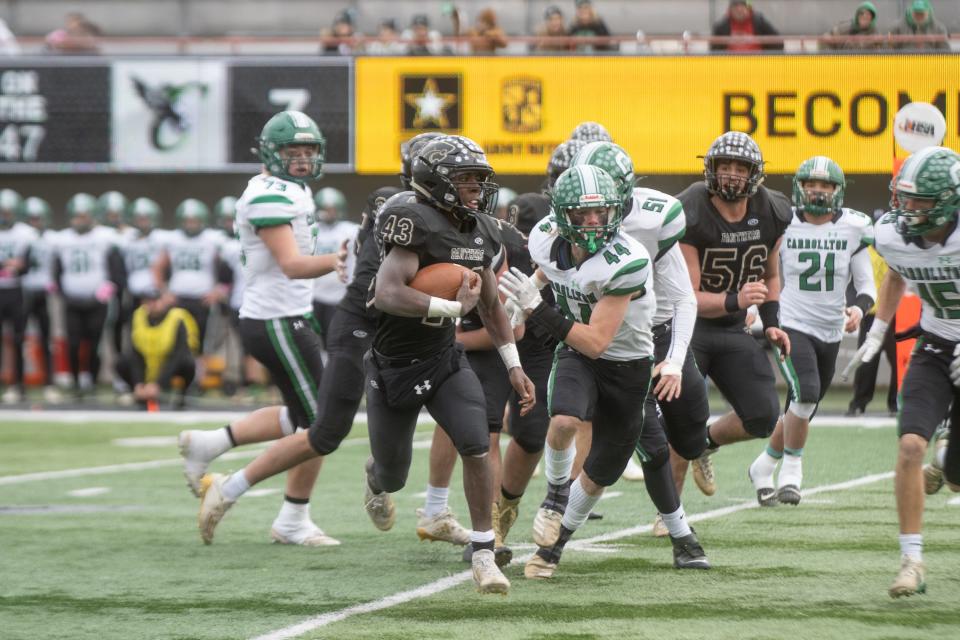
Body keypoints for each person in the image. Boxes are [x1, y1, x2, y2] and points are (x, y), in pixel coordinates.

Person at [193, 135, 534, 595]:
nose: (477, 188)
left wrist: (512, 363)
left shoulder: (482, 230)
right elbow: (384, 294)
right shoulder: (404, 216)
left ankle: (483, 550)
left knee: (475, 442)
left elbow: (491, 305)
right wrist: (453, 309)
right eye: (466, 178)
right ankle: (339, 483)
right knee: (362, 453)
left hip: (444, 357)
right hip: (385, 351)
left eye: (479, 179)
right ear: (435, 179)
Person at [498, 164, 681, 579]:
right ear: (562, 214)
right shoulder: (545, 235)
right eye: (583, 213)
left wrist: (535, 306)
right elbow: (553, 268)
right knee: (563, 418)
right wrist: (535, 284)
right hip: (576, 354)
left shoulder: (628, 259)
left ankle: (553, 548)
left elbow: (597, 341)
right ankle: (555, 496)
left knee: (600, 473)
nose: (595, 222)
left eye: (603, 212)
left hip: (627, 363)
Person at [180, 110, 343, 547]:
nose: (303, 159)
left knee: (303, 416)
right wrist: (347, 259)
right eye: (293, 151)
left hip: (286, 316)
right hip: (277, 321)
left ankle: (212, 443)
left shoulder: (289, 189)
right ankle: (231, 489)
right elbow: (293, 266)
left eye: (309, 150)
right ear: (273, 152)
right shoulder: (269, 196)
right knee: (322, 426)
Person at [571, 141, 708, 545]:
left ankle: (698, 453)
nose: (593, 216)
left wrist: (676, 361)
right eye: (584, 205)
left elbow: (683, 297)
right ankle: (556, 519)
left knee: (690, 435)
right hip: (611, 345)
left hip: (660, 335)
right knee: (640, 439)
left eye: (603, 203)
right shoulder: (561, 227)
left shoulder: (652, 221)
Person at [844, 146, 960, 597]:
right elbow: (894, 273)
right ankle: (912, 560)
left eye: (921, 202)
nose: (909, 210)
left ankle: (947, 462)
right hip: (934, 342)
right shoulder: (892, 233)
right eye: (905, 200)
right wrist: (877, 334)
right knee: (910, 444)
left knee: (955, 477)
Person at [748, 156, 875, 506]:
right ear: (799, 188)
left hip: (831, 329)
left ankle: (763, 465)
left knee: (802, 405)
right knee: (806, 393)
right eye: (810, 184)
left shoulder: (852, 226)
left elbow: (867, 286)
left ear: (839, 191)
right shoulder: (784, 223)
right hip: (791, 322)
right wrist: (754, 309)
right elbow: (763, 271)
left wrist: (858, 309)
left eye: (826, 185)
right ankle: (792, 470)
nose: (818, 191)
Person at [677, 131, 792, 498]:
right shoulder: (692, 209)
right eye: (722, 166)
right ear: (709, 170)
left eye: (738, 167)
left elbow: (771, 275)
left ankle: (705, 443)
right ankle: (669, 513)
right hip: (688, 328)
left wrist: (772, 324)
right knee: (681, 417)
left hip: (731, 328)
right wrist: (736, 299)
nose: (729, 175)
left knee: (762, 415)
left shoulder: (771, 210)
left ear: (754, 173)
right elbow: (688, 297)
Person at [52, 193, 126, 399]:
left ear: (92, 216)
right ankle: (76, 382)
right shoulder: (62, 239)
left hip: (97, 301)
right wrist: (63, 292)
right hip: (72, 301)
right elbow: (57, 271)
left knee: (95, 344)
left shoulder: (106, 237)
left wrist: (107, 290)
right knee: (73, 344)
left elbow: (116, 270)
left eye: (83, 216)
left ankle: (91, 382)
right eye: (76, 216)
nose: (79, 220)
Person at [153, 199, 227, 348]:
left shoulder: (213, 239)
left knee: (203, 343)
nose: (191, 224)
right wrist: (164, 292)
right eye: (187, 221)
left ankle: (200, 371)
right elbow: (157, 267)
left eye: (195, 221)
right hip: (177, 299)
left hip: (203, 300)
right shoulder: (173, 239)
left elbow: (226, 269)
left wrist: (219, 290)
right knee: (176, 342)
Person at [115, 290, 198, 410]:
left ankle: (182, 397)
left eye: (156, 300)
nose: (152, 304)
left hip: (168, 367)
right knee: (122, 362)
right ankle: (140, 393)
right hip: (147, 367)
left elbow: (177, 355)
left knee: (188, 363)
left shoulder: (177, 318)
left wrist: (158, 384)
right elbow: (135, 353)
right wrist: (138, 383)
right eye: (148, 301)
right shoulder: (137, 317)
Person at [846, 243, 898, 416]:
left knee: (899, 359)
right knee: (866, 360)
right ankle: (859, 403)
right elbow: (855, 281)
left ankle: (896, 403)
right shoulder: (864, 252)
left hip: (896, 314)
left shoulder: (896, 249)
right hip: (871, 314)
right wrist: (856, 307)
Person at [20, 197, 61, 404]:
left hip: (44, 293)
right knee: (18, 339)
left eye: (38, 218)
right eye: (32, 219)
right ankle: (17, 386)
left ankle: (50, 384)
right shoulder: (19, 237)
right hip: (22, 292)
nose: (35, 223)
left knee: (47, 340)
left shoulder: (53, 239)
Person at [312, 187, 359, 340]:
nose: (330, 212)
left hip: (340, 295)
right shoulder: (312, 231)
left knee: (334, 339)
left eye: (333, 209)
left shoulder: (350, 230)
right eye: (326, 209)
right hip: (315, 295)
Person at [0, 188, 33, 404]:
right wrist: (9, 264)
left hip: (16, 290)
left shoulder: (25, 233)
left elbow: (27, 265)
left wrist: (14, 266)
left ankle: (17, 384)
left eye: (9, 211)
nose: (5, 215)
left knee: (18, 339)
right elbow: (14, 264)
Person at [711, 0, 783, 52]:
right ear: (730, 9)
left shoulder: (760, 22)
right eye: (735, 6)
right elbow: (714, 50)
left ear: (749, 8)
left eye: (743, 6)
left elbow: (778, 43)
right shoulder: (722, 26)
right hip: (731, 66)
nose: (739, 9)